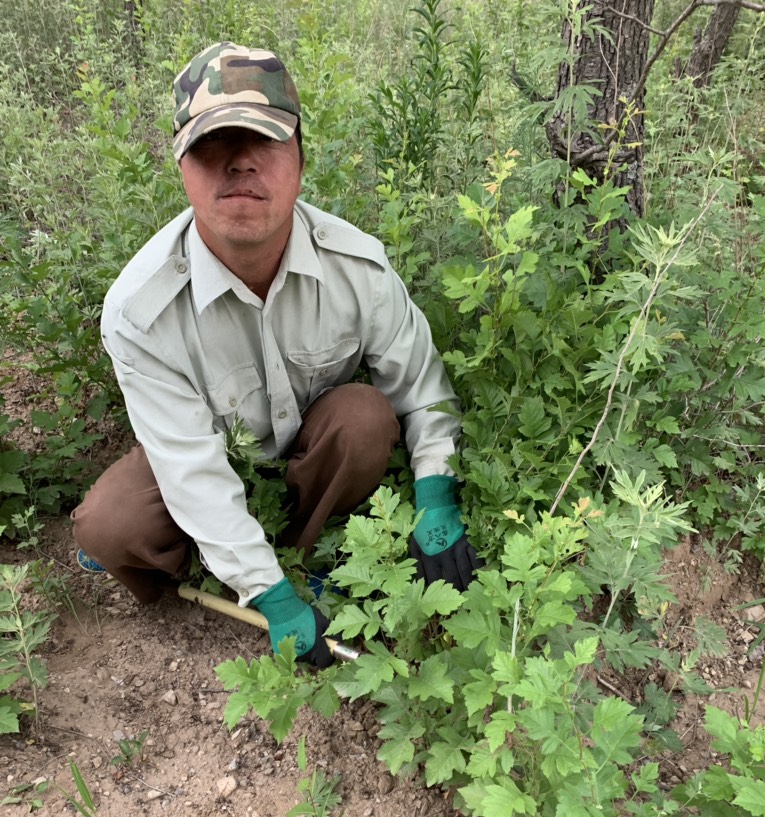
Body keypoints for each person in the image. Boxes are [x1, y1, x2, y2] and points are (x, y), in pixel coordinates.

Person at [73, 42, 479, 668]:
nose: (238, 164)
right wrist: (268, 594)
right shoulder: (139, 310)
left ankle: (293, 549)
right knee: (109, 524)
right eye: (211, 146)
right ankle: (229, 569)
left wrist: (435, 487)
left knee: (367, 417)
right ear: (180, 167)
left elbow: (421, 390)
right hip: (212, 457)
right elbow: (192, 472)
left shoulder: (356, 265)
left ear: (300, 159)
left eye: (262, 140)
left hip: (310, 450)